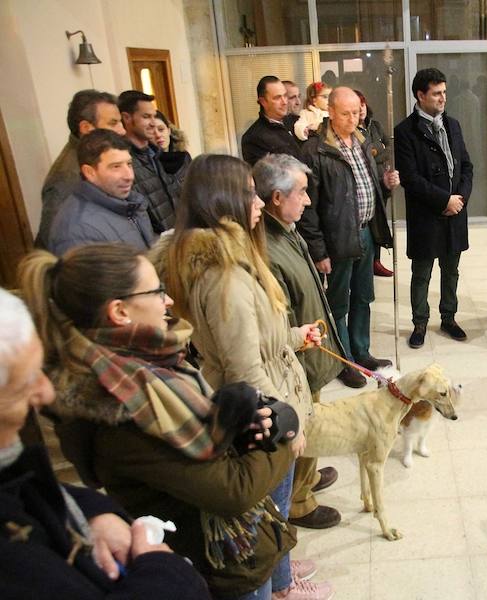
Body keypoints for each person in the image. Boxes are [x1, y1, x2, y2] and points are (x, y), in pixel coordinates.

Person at [152, 155, 334, 599]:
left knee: (272, 510)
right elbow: (243, 368)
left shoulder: (234, 260)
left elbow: (253, 337)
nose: (259, 201)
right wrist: (286, 423)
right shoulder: (226, 276)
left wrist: (293, 335)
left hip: (269, 402)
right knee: (265, 514)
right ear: (225, 201)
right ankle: (278, 587)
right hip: (265, 416)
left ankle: (282, 576)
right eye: (250, 192)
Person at [0, 286, 212, 599]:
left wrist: (97, 513)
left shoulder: (166, 374)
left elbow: (25, 489)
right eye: (25, 382)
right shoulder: (124, 414)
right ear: (119, 311)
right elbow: (228, 490)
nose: (45, 393)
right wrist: (165, 570)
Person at [253, 154, 352, 530]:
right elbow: (280, 323)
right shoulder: (268, 246)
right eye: (302, 192)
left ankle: (307, 480)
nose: (308, 200)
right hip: (298, 359)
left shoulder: (286, 230)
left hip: (309, 349)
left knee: (312, 423)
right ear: (277, 197)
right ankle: (298, 502)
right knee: (302, 426)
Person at [297, 87, 399, 383]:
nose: (353, 118)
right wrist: (319, 251)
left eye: (356, 112)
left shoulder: (363, 141)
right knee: (339, 301)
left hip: (365, 232)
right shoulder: (315, 150)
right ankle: (345, 361)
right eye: (346, 113)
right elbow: (308, 209)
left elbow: (367, 188)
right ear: (330, 111)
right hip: (336, 239)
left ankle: (361, 350)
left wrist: (386, 183)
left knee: (364, 296)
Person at [394, 68, 474, 348]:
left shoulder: (453, 125)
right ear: (420, 95)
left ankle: (449, 317)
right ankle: (419, 323)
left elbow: (466, 166)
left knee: (451, 270)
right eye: (437, 93)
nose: (443, 98)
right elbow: (411, 179)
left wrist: (459, 199)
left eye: (444, 92)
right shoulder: (405, 131)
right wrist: (444, 201)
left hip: (454, 214)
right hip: (427, 216)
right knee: (422, 273)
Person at [37, 89, 127, 249]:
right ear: (86, 127)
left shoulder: (102, 156)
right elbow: (56, 242)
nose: (122, 130)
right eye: (113, 123)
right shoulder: (65, 177)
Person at [47, 129, 155, 255]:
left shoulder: (129, 204)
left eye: (129, 164)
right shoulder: (78, 231)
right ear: (90, 172)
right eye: (116, 167)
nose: (129, 176)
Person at [119, 90, 182, 234]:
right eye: (146, 117)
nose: (153, 123)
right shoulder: (125, 161)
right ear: (127, 118)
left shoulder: (155, 153)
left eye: (154, 116)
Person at [356, 89, 394, 278]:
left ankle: (376, 261)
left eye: (362, 104)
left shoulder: (375, 126)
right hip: (365, 185)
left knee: (379, 221)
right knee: (368, 226)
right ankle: (369, 261)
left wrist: (375, 151)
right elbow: (365, 153)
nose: (361, 109)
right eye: (357, 106)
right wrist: (377, 150)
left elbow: (389, 147)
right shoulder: (352, 131)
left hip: (382, 184)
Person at [241, 76, 303, 166]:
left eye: (285, 96)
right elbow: (266, 176)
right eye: (277, 98)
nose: (284, 102)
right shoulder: (253, 138)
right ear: (263, 102)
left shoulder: (297, 121)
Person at [152, 110, 192, 188]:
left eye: (161, 129)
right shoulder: (148, 163)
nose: (158, 135)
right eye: (152, 132)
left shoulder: (184, 156)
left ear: (169, 130)